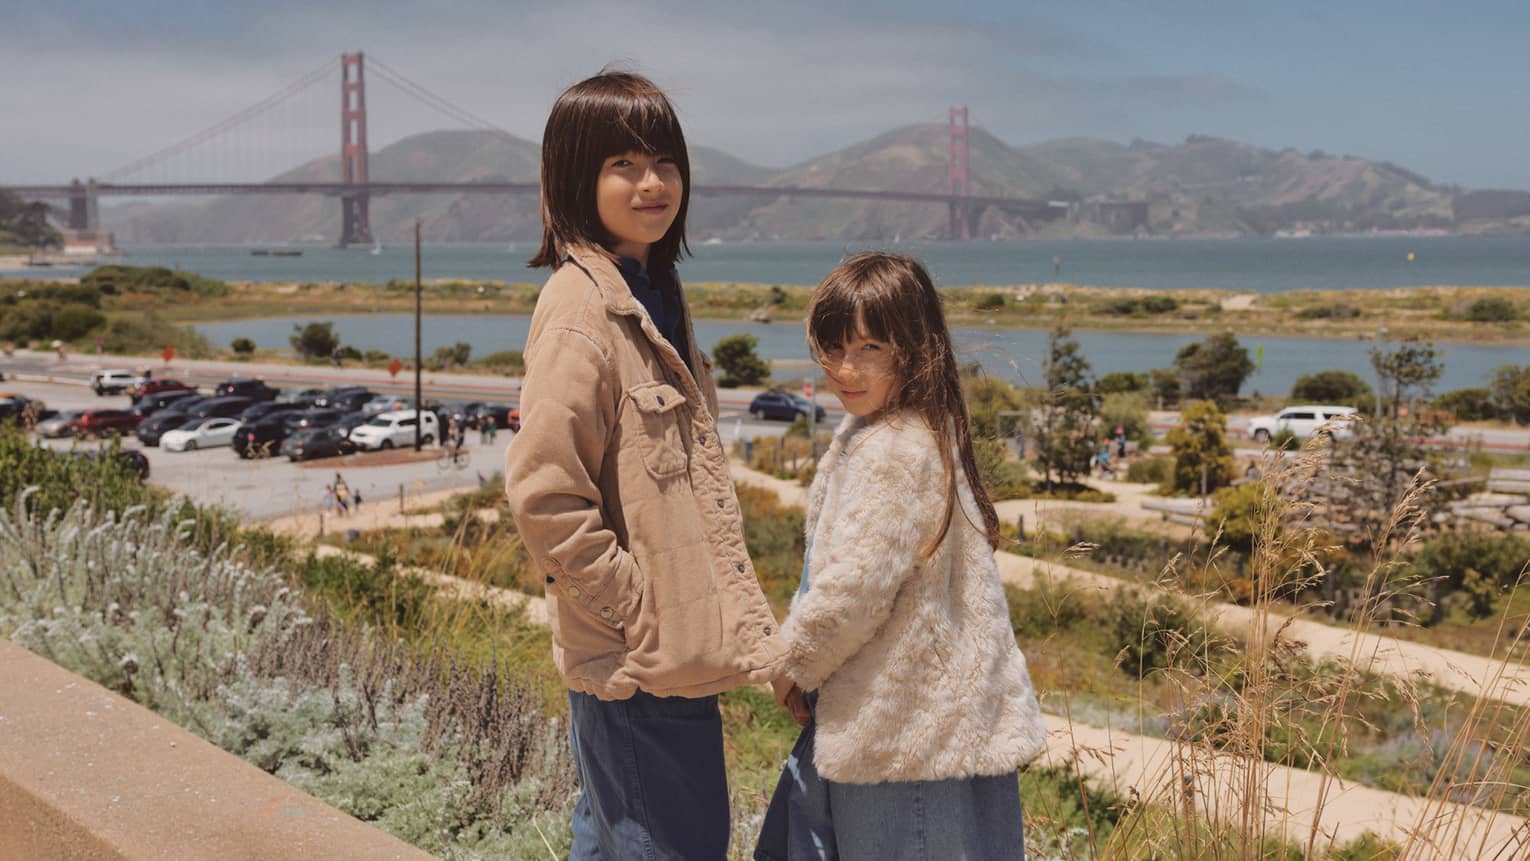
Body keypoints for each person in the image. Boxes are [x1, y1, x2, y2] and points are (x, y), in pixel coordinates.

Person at [502, 70, 786, 860]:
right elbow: (542, 490)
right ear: (575, 178)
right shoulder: (580, 308)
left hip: (668, 658)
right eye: (622, 165)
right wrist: (638, 605)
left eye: (664, 160)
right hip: (640, 664)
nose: (652, 182)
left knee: (611, 842)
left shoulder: (654, 288)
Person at [757, 253, 1046, 861]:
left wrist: (794, 664)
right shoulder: (920, 428)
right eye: (833, 348)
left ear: (915, 349)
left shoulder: (890, 448)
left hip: (903, 742)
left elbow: (853, 591)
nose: (844, 369)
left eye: (869, 349)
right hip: (937, 730)